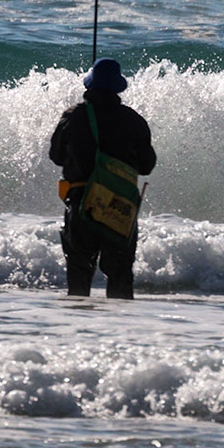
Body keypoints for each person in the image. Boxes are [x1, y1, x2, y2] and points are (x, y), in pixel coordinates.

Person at [49, 58, 156, 299]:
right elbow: (147, 166)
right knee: (120, 276)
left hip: (82, 202)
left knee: (79, 273)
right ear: (118, 87)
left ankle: (78, 320)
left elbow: (56, 156)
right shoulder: (134, 121)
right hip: (119, 206)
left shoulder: (74, 116)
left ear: (90, 86)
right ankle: (120, 322)